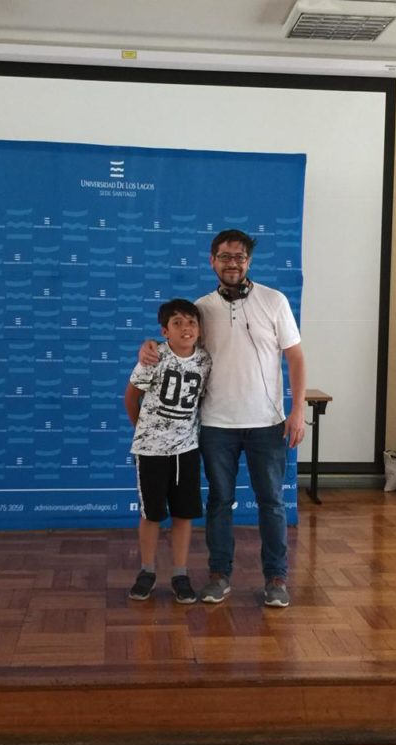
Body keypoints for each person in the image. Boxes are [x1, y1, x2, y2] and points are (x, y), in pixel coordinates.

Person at [139, 230, 306, 608]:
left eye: (239, 257)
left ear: (249, 262)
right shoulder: (202, 308)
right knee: (219, 502)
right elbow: (178, 344)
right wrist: (148, 346)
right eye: (225, 256)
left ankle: (276, 578)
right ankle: (219, 576)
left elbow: (295, 357)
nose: (233, 263)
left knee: (272, 503)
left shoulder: (274, 301)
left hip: (267, 423)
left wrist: (297, 411)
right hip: (216, 425)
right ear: (212, 261)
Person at [125, 298, 212, 604]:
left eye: (191, 322)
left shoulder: (205, 361)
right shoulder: (154, 357)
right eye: (177, 323)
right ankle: (147, 571)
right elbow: (131, 397)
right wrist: (145, 430)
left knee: (184, 513)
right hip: (151, 451)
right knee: (151, 513)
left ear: (199, 329)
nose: (186, 328)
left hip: (186, 449)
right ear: (165, 331)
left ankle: (180, 574)